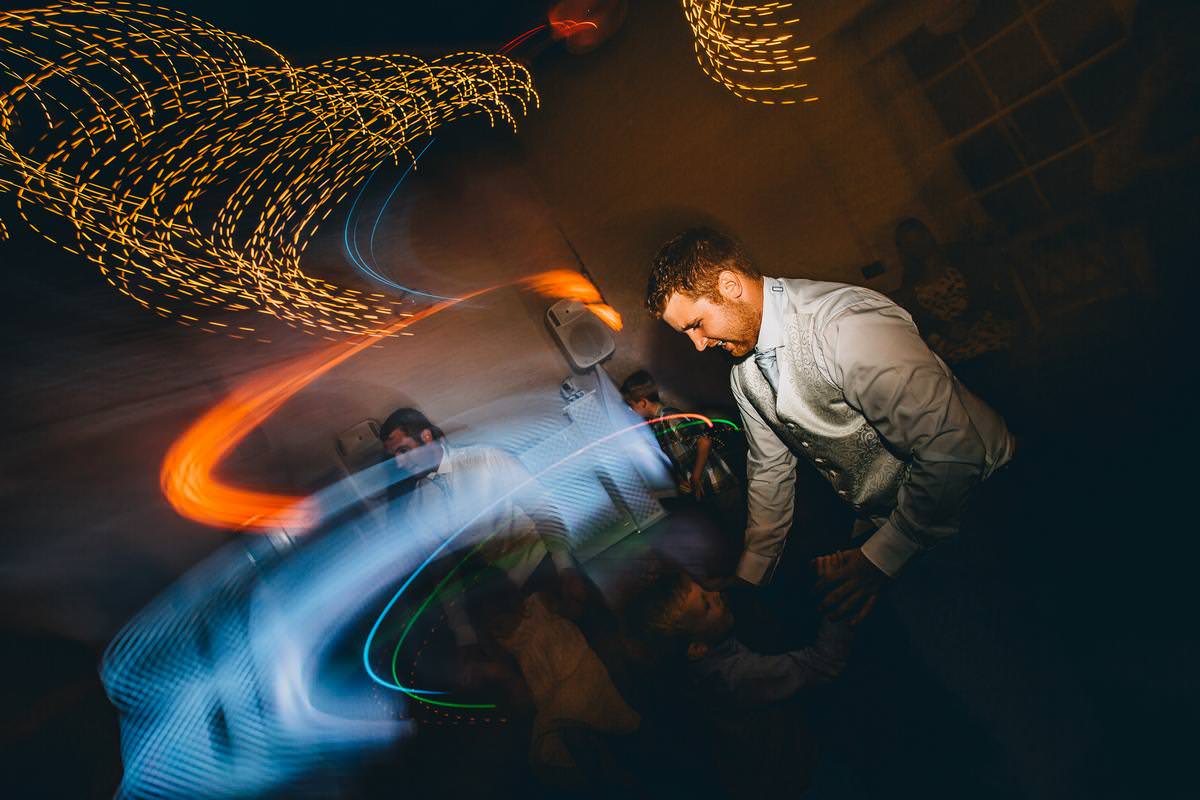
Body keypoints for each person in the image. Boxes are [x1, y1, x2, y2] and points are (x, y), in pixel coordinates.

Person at [645, 227, 1015, 623]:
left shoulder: (842, 323)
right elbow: (770, 471)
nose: (699, 344)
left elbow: (951, 447)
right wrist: (752, 571)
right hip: (903, 524)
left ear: (730, 286)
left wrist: (880, 557)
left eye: (696, 324)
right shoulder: (744, 376)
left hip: (983, 500)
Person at [378, 408, 588, 639]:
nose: (399, 463)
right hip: (506, 601)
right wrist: (465, 635)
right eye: (394, 457)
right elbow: (445, 573)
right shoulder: (417, 510)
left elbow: (541, 508)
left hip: (547, 566)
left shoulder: (485, 459)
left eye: (403, 450)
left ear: (426, 436)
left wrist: (566, 568)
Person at [620, 369, 743, 532]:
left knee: (740, 529)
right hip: (707, 491)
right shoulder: (657, 425)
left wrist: (696, 477)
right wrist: (684, 480)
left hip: (720, 486)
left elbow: (704, 442)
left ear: (643, 402)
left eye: (631, 406)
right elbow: (680, 457)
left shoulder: (670, 419)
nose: (630, 410)